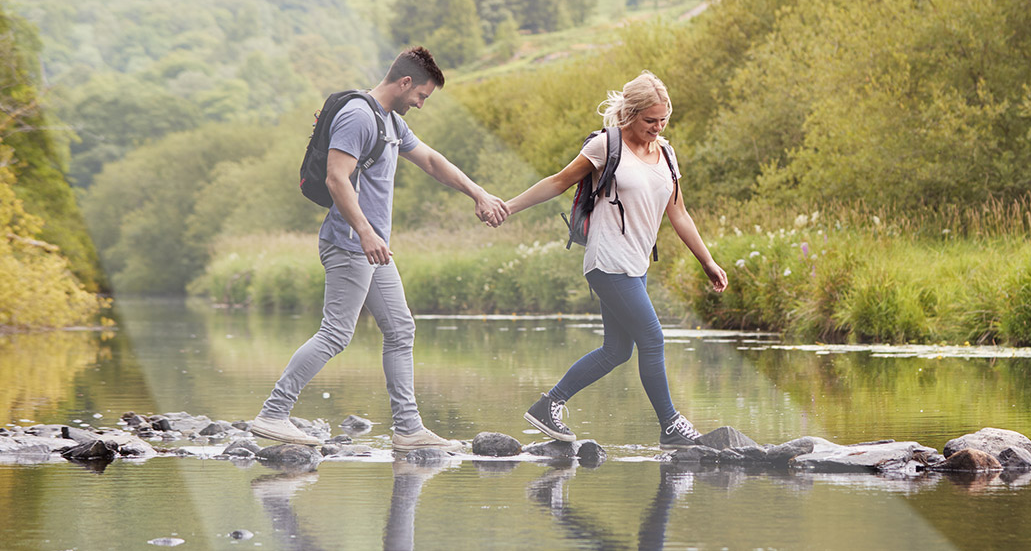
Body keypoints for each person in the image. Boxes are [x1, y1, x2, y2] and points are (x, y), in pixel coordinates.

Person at [250, 47, 509, 451]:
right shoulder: (359, 115)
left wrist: (478, 193)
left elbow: (432, 161)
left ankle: (408, 430)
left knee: (401, 328)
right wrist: (366, 233)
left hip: (373, 249)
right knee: (336, 332)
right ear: (404, 82)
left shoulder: (390, 121)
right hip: (352, 244)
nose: (420, 105)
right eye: (421, 96)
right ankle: (272, 414)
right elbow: (337, 178)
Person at [505, 70, 727, 448]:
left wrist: (707, 261)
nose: (657, 128)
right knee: (653, 339)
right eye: (649, 120)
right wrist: (508, 207)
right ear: (630, 114)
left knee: (617, 350)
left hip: (636, 265)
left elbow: (679, 213)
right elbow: (558, 181)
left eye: (663, 120)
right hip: (607, 262)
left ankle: (548, 405)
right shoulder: (606, 147)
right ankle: (671, 425)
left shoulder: (666, 155)